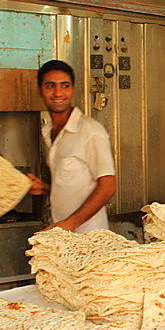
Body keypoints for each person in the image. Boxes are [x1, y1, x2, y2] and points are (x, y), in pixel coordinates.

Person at [28, 60, 116, 232]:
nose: (58, 92)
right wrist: (44, 188)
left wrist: (68, 225)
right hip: (63, 233)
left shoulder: (90, 131)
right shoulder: (49, 132)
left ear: (73, 89)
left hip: (90, 236)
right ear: (40, 90)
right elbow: (72, 184)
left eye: (65, 85)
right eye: (50, 86)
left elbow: (108, 186)